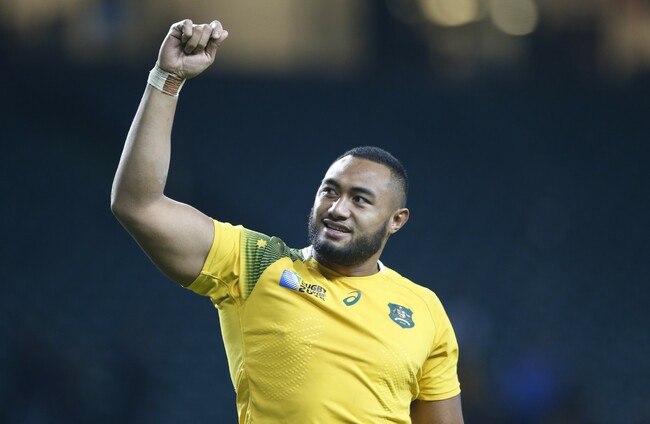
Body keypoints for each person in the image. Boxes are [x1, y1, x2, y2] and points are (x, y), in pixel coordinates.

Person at [111, 18, 464, 424]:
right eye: (330, 191)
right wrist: (167, 80)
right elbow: (138, 205)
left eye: (360, 199)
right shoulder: (256, 264)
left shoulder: (424, 309)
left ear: (396, 220)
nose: (338, 208)